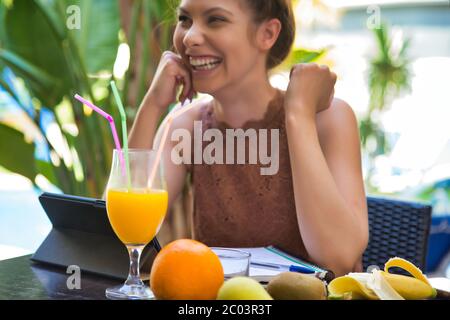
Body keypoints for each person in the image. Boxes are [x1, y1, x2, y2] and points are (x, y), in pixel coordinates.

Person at [128, 0, 368, 277]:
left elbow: (338, 258)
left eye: (215, 19)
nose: (190, 37)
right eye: (184, 19)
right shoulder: (186, 126)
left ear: (267, 34)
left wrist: (297, 116)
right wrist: (153, 105)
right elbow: (122, 241)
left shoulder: (328, 118)